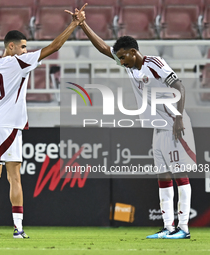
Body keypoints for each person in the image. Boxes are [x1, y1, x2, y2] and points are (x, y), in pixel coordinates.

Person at [67, 9, 195, 239]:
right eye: (120, 58)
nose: (120, 61)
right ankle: (168, 227)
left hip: (176, 124)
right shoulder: (130, 65)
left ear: (134, 52)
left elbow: (180, 87)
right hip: (159, 127)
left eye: (123, 57)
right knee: (164, 177)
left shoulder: (155, 63)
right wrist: (82, 25)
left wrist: (177, 118)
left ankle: (183, 228)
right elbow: (105, 49)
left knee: (180, 176)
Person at [0, 4, 87, 239]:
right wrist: (75, 24)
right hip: (9, 125)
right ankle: (18, 229)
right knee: (14, 177)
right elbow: (54, 46)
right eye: (22, 47)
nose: (25, 51)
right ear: (11, 46)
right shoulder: (18, 62)